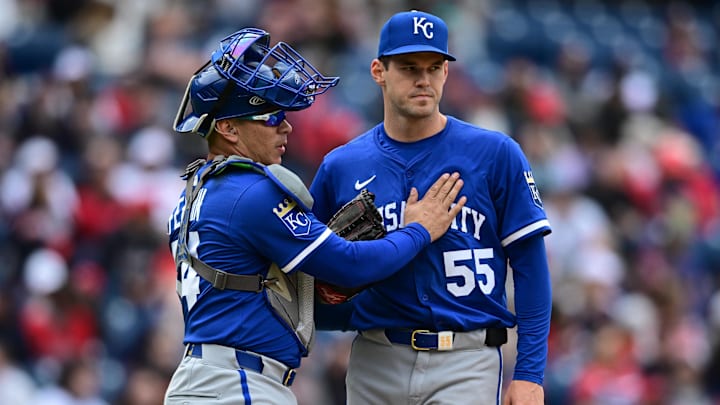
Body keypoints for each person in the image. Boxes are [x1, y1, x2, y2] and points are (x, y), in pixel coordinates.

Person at [163, 27, 467, 405]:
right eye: (271, 116)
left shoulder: (196, 191)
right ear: (228, 128)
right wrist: (419, 230)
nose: (287, 125)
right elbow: (349, 265)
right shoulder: (250, 192)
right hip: (235, 385)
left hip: (210, 378)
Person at [310, 10, 552, 405]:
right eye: (408, 67)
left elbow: (531, 267)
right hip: (376, 357)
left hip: (465, 358)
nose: (424, 79)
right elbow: (311, 277)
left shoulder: (494, 154)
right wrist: (340, 311)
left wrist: (529, 373)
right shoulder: (342, 166)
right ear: (378, 71)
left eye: (434, 67)